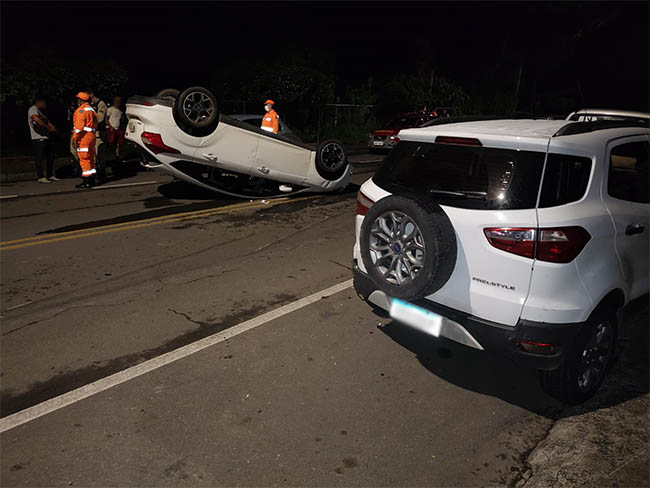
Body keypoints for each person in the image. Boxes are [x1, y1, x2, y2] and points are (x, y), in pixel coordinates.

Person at [28, 97, 58, 183]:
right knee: (39, 157)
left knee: (50, 156)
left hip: (46, 137)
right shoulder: (33, 109)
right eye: (44, 103)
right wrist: (48, 128)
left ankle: (50, 174)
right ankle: (41, 176)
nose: (45, 105)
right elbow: (36, 119)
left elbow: (47, 121)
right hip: (38, 137)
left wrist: (52, 128)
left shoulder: (41, 112)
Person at [72, 92, 98, 188]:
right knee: (91, 158)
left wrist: (75, 138)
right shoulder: (92, 110)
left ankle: (86, 181)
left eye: (78, 99)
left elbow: (79, 127)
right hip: (91, 136)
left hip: (83, 137)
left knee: (84, 159)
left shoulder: (81, 111)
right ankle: (93, 178)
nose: (77, 100)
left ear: (81, 100)